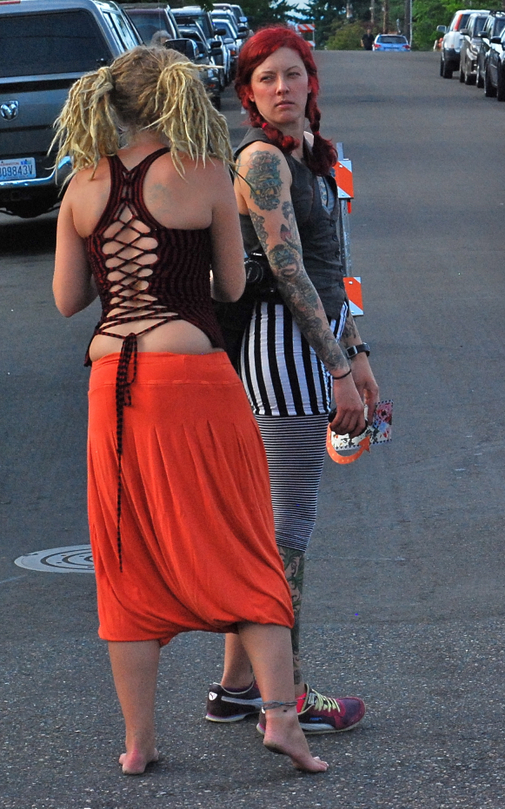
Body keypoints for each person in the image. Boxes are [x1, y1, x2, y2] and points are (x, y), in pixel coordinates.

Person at [51, 46, 326, 775]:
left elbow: (68, 299)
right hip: (192, 374)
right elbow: (231, 286)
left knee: (125, 555)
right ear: (176, 98)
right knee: (242, 537)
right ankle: (280, 718)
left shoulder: (82, 183)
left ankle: (138, 743)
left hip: (111, 381)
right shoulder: (205, 173)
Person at [205, 25, 378, 735]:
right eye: (266, 78)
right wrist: (337, 369)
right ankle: (291, 691)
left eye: (292, 74)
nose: (282, 88)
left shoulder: (310, 154)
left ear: (311, 81)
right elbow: (287, 269)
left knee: (270, 526)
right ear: (248, 93)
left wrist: (357, 350)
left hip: (317, 340)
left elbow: (333, 266)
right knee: (286, 529)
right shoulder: (262, 160)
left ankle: (236, 688)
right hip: (282, 348)